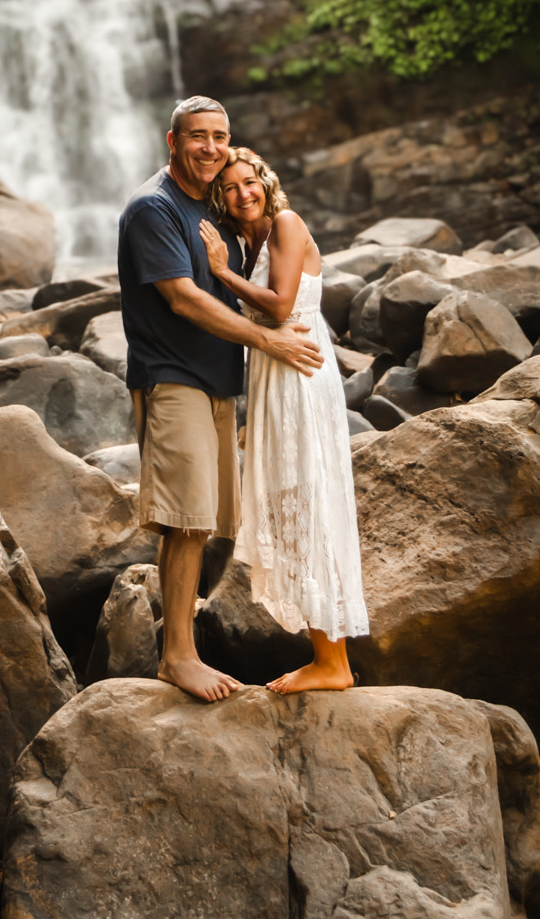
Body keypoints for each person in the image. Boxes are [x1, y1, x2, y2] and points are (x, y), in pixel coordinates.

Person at [117, 97, 325, 703]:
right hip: (172, 374)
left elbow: (270, 283)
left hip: (217, 382)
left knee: (204, 521)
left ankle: (184, 646)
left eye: (220, 137)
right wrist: (269, 341)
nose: (210, 147)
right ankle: (177, 656)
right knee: (184, 518)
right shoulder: (153, 208)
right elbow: (182, 298)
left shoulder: (212, 207)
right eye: (198, 137)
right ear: (172, 140)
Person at [199, 145, 368, 692]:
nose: (242, 192)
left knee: (309, 504)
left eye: (249, 181)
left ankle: (332, 663)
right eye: (230, 187)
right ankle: (327, 655)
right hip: (274, 380)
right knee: (289, 505)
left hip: (300, 375)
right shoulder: (250, 241)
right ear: (221, 198)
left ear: (265, 182)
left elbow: (278, 304)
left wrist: (222, 273)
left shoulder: (287, 225)